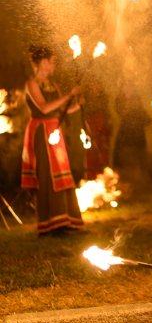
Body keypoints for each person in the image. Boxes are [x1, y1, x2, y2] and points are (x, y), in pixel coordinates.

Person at [21, 44, 85, 236]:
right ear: (43, 62)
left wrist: (75, 105)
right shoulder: (31, 84)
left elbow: (58, 111)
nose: (54, 65)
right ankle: (50, 225)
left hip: (55, 132)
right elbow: (44, 108)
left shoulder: (52, 84)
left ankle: (66, 221)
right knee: (48, 176)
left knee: (62, 175)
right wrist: (68, 96)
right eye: (52, 61)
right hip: (42, 133)